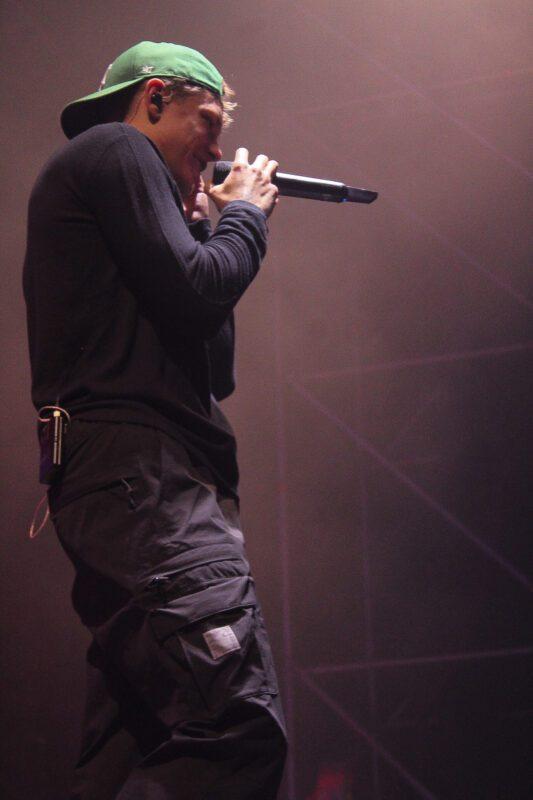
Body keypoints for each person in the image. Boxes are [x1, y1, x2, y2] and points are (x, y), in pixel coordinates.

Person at [23, 40, 286, 800]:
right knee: (237, 724)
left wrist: (205, 228)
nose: (218, 150)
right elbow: (199, 292)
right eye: (209, 124)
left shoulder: (130, 184)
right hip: (147, 480)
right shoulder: (117, 148)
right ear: (157, 97)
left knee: (134, 745)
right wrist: (245, 220)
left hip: (132, 484)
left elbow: (214, 367)